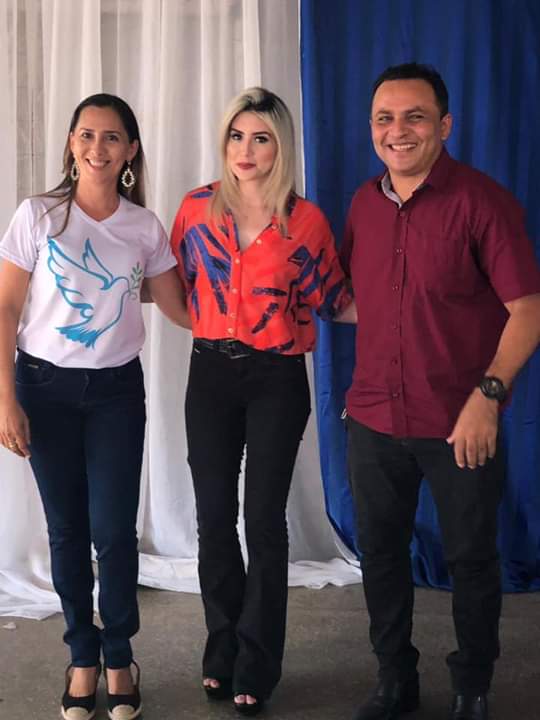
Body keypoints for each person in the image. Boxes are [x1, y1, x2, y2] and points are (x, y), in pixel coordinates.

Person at [341, 63, 540, 720]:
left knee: (471, 559)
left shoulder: (483, 203)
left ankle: (471, 687)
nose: (397, 131)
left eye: (415, 117)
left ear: (445, 125)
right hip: (373, 417)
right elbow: (361, 301)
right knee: (381, 556)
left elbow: (528, 310)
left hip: (460, 420)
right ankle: (394, 680)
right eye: (384, 118)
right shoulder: (363, 205)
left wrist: (489, 397)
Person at [0, 93, 190, 720]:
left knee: (112, 531)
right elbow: (5, 308)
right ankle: (82, 654)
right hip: (43, 389)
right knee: (66, 529)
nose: (97, 147)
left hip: (115, 394)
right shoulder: (38, 215)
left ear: (130, 150)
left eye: (112, 137)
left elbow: (180, 307)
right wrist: (4, 398)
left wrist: (256, 305)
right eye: (86, 134)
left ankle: (119, 655)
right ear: (71, 143)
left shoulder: (144, 227)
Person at [170, 86, 355, 716]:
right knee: (213, 517)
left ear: (281, 147)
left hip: (277, 377)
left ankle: (258, 663)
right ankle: (220, 648)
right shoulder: (196, 209)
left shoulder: (306, 222)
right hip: (209, 374)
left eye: (261, 138)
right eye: (236, 136)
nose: (245, 150)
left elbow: (335, 301)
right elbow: (175, 285)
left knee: (264, 520)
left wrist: (412, 306)